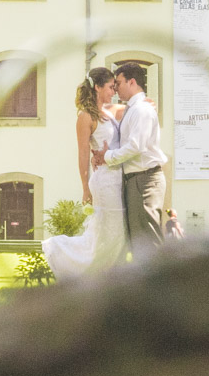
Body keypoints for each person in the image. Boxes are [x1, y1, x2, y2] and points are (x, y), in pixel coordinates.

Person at [42, 67, 130, 280]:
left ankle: (107, 277)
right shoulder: (85, 116)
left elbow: (138, 105)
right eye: (110, 87)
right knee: (107, 235)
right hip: (103, 182)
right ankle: (60, 251)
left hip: (117, 179)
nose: (114, 91)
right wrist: (85, 187)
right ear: (98, 87)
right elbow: (83, 154)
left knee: (116, 234)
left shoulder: (110, 110)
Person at [93, 62, 168, 259]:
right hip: (135, 180)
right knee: (138, 240)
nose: (115, 88)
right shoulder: (132, 108)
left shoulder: (141, 110)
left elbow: (136, 146)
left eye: (118, 82)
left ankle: (160, 288)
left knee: (148, 238)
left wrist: (107, 157)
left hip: (144, 179)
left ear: (132, 82)